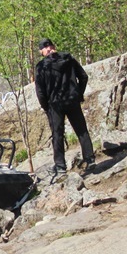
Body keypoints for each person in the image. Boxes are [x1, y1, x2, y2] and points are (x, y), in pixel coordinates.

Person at [35, 37, 95, 176]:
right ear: (53, 46)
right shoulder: (69, 59)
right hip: (72, 100)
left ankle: (61, 166)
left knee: (57, 134)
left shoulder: (41, 66)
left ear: (42, 51)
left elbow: (40, 91)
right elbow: (83, 77)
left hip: (55, 104)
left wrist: (46, 107)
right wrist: (78, 94)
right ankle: (90, 159)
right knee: (81, 130)